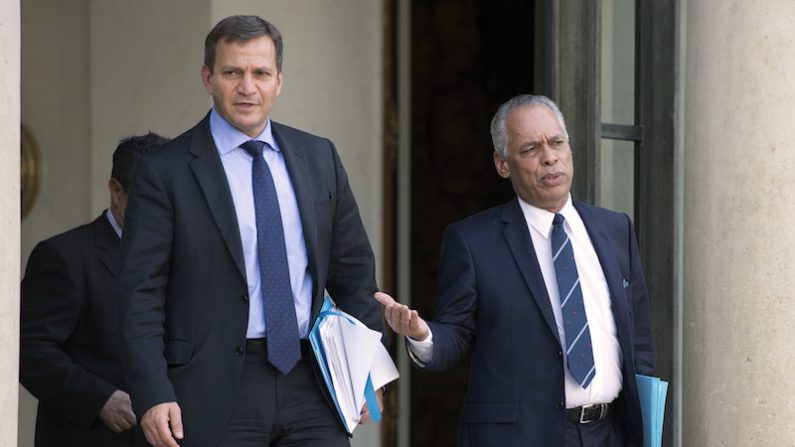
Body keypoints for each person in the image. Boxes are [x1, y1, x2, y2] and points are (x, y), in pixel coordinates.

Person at [117, 15, 382, 447]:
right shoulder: (164, 171)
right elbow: (139, 293)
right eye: (232, 72)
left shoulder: (319, 157)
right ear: (207, 78)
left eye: (260, 73)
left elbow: (353, 274)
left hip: (311, 380)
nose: (247, 87)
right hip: (213, 388)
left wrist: (364, 370)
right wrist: (152, 393)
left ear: (279, 80)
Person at [375, 94, 655, 446]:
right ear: (502, 164)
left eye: (556, 143)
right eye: (530, 149)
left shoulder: (615, 229)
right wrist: (421, 334)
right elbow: (456, 333)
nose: (550, 157)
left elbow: (639, 343)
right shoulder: (472, 241)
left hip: (611, 433)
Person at [20, 132, 170, 447]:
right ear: (116, 192)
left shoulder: (187, 255)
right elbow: (27, 349)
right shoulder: (65, 256)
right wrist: (100, 399)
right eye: (149, 200)